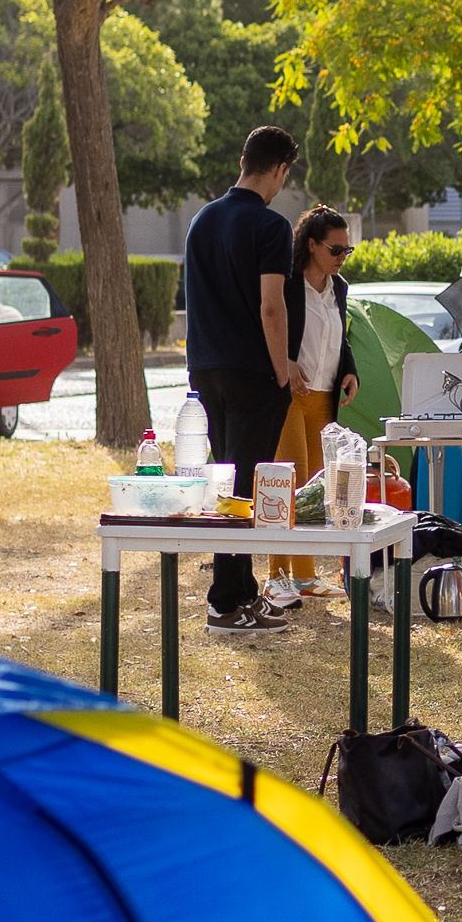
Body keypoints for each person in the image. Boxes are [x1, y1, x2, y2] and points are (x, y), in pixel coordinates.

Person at [183, 126, 304, 635]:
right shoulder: (270, 226)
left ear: (242, 159)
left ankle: (240, 592)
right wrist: (285, 369)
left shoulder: (201, 220)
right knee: (242, 489)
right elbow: (271, 306)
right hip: (254, 372)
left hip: (206, 369)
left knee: (226, 482)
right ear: (280, 169)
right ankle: (226, 601)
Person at [272, 204, 361, 599]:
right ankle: (278, 575)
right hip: (290, 396)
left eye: (346, 251)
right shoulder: (288, 284)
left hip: (325, 397)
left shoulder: (339, 289)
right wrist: (285, 364)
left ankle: (305, 578)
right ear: (311, 245)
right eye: (335, 249)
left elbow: (340, 338)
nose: (342, 257)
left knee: (312, 489)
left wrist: (350, 370)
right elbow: (269, 326)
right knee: (287, 480)